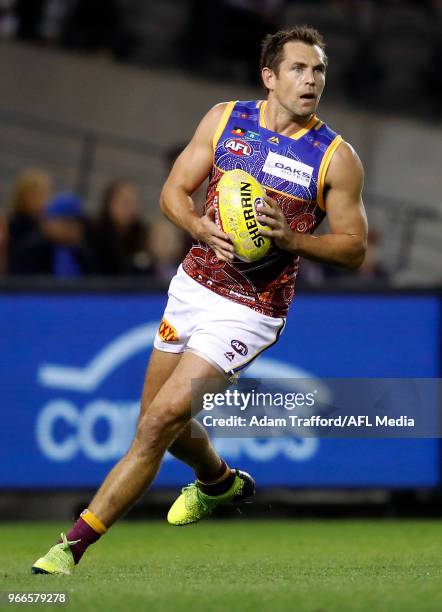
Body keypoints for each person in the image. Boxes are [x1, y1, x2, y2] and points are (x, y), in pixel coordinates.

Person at [32, 26, 367, 575]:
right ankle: (219, 481)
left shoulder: (336, 157)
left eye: (319, 71)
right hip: (191, 288)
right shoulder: (223, 119)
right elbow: (171, 191)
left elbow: (353, 250)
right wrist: (195, 225)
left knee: (156, 423)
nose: (311, 80)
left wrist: (293, 239)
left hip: (251, 309)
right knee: (158, 423)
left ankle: (70, 547)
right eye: (299, 69)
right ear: (269, 77)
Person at [12, 192, 97, 277]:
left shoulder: (83, 252)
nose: (75, 228)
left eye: (79, 223)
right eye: (68, 222)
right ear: (48, 222)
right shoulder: (30, 250)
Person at [90, 179, 149, 276]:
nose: (131, 208)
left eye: (134, 203)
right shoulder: (95, 234)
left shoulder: (141, 235)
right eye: (125, 202)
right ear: (109, 203)